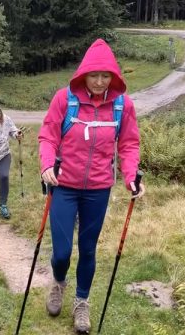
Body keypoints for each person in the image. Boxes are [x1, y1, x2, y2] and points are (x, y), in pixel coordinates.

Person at [38, 39, 146, 334]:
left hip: (98, 188)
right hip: (64, 185)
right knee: (61, 252)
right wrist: (47, 164)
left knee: (87, 249)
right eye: (94, 75)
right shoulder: (65, 99)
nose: (99, 82)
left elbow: (129, 143)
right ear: (83, 74)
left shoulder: (123, 105)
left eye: (106, 76)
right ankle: (58, 283)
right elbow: (48, 135)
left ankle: (82, 302)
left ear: (114, 77)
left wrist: (131, 175)